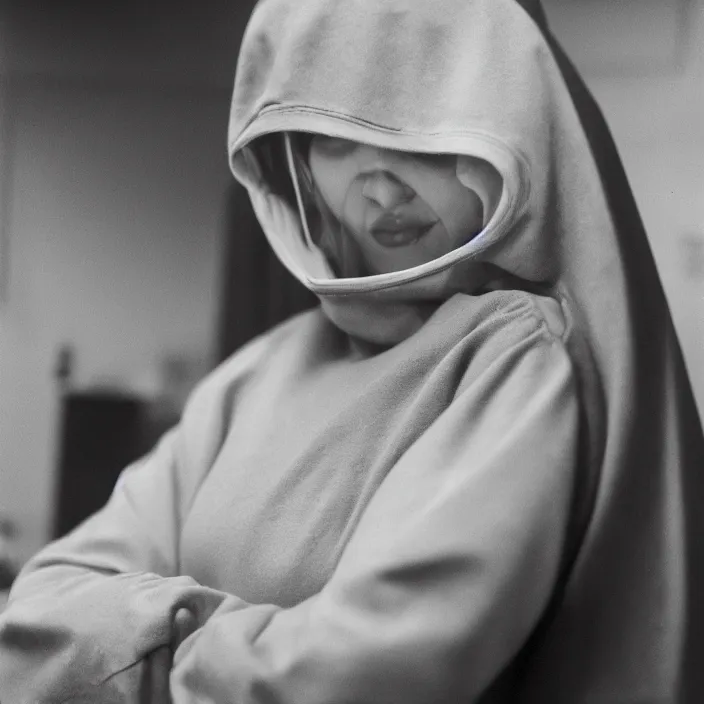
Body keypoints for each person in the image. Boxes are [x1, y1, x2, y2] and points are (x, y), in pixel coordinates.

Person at [1, 0, 703, 701]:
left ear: (508, 126)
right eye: (335, 141)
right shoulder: (257, 373)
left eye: (420, 131)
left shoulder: (517, 357)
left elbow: (358, 679)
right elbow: (37, 614)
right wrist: (229, 649)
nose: (381, 183)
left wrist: (123, 649)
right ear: (295, 159)